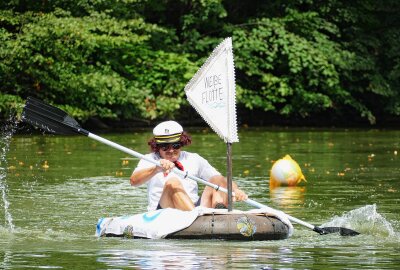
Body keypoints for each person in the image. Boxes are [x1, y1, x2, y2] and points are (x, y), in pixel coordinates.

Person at [130, 120, 248, 211]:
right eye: (165, 147)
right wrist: (156, 169)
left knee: (216, 179)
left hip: (195, 207)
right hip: (164, 211)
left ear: (182, 143)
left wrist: (236, 190)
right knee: (172, 182)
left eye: (176, 145)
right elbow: (133, 181)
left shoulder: (193, 158)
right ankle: (196, 220)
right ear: (157, 147)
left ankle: (217, 213)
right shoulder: (150, 159)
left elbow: (221, 180)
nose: (171, 151)